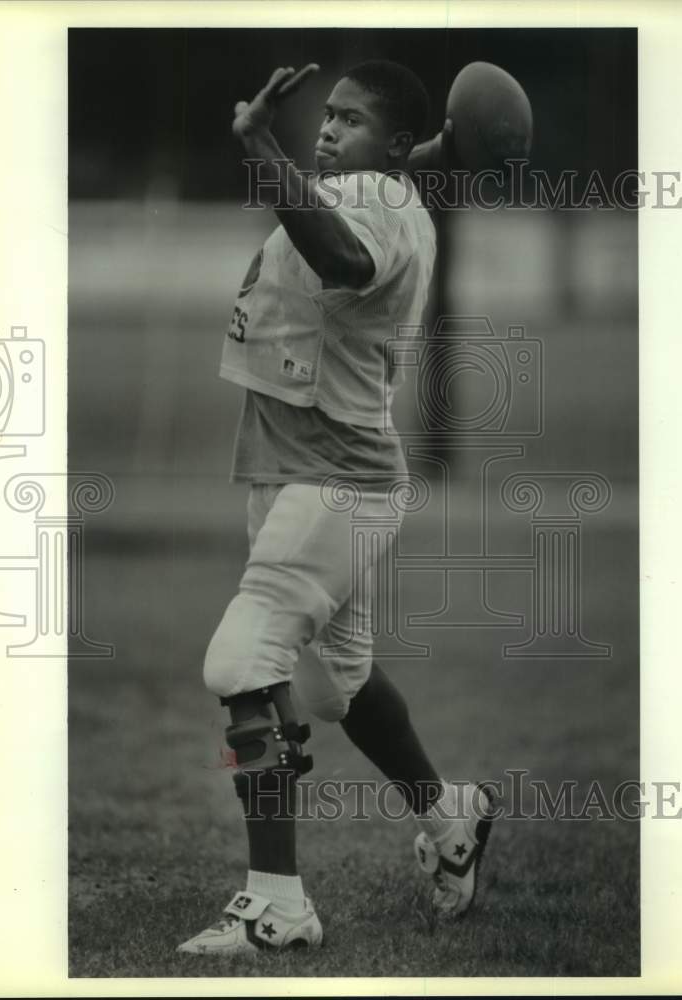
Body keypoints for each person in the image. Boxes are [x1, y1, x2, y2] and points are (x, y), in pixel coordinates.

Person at [178, 59, 493, 958]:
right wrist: (426, 143)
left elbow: (345, 253)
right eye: (327, 115)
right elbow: (387, 176)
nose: (326, 129)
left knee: (242, 663)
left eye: (349, 120)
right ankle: (450, 818)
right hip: (306, 465)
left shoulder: (371, 203)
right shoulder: (383, 183)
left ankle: (277, 905)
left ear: (386, 146)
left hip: (336, 476)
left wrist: (259, 148)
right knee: (332, 688)